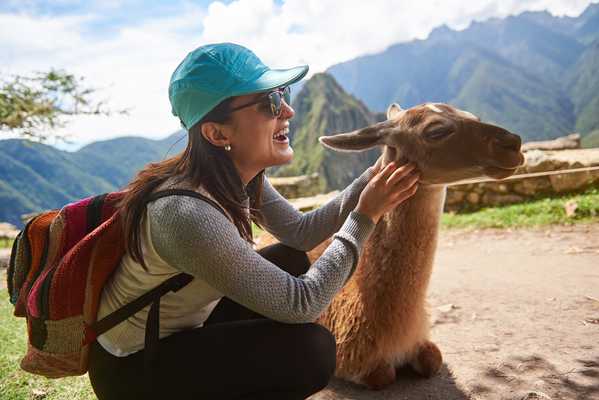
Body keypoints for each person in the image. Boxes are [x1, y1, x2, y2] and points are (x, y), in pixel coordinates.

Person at [87, 42, 420, 400]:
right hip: (133, 368)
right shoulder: (187, 214)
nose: (288, 111)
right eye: (270, 103)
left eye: (282, 94)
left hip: (186, 328)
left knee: (292, 258)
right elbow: (302, 305)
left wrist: (372, 176)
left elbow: (301, 233)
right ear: (217, 134)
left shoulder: (238, 177)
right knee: (311, 351)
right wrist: (364, 216)